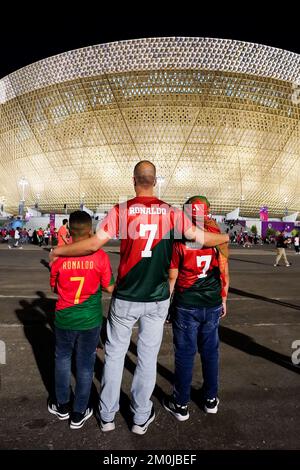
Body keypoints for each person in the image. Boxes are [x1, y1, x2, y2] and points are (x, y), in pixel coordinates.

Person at [50, 160, 229, 435]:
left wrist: (60, 252)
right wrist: (225, 237)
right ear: (154, 181)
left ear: (134, 180)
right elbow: (201, 238)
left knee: (113, 356)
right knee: (146, 357)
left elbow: (95, 243)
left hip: (126, 295)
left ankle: (107, 416)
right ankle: (140, 416)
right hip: (156, 298)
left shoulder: (122, 211)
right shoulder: (171, 213)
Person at [164, 196, 229, 421]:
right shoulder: (217, 239)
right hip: (211, 302)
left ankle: (181, 404)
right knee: (210, 352)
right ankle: (211, 399)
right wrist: (224, 299)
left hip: (186, 304)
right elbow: (224, 273)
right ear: (208, 212)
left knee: (184, 354)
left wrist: (167, 306)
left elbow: (172, 278)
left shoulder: (180, 239)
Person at [48, 211, 115, 429]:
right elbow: (109, 287)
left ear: (69, 231)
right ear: (90, 231)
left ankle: (62, 405)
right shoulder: (100, 257)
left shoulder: (59, 257)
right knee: (86, 365)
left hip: (65, 316)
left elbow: (54, 287)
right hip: (89, 319)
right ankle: (79, 412)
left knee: (62, 360)